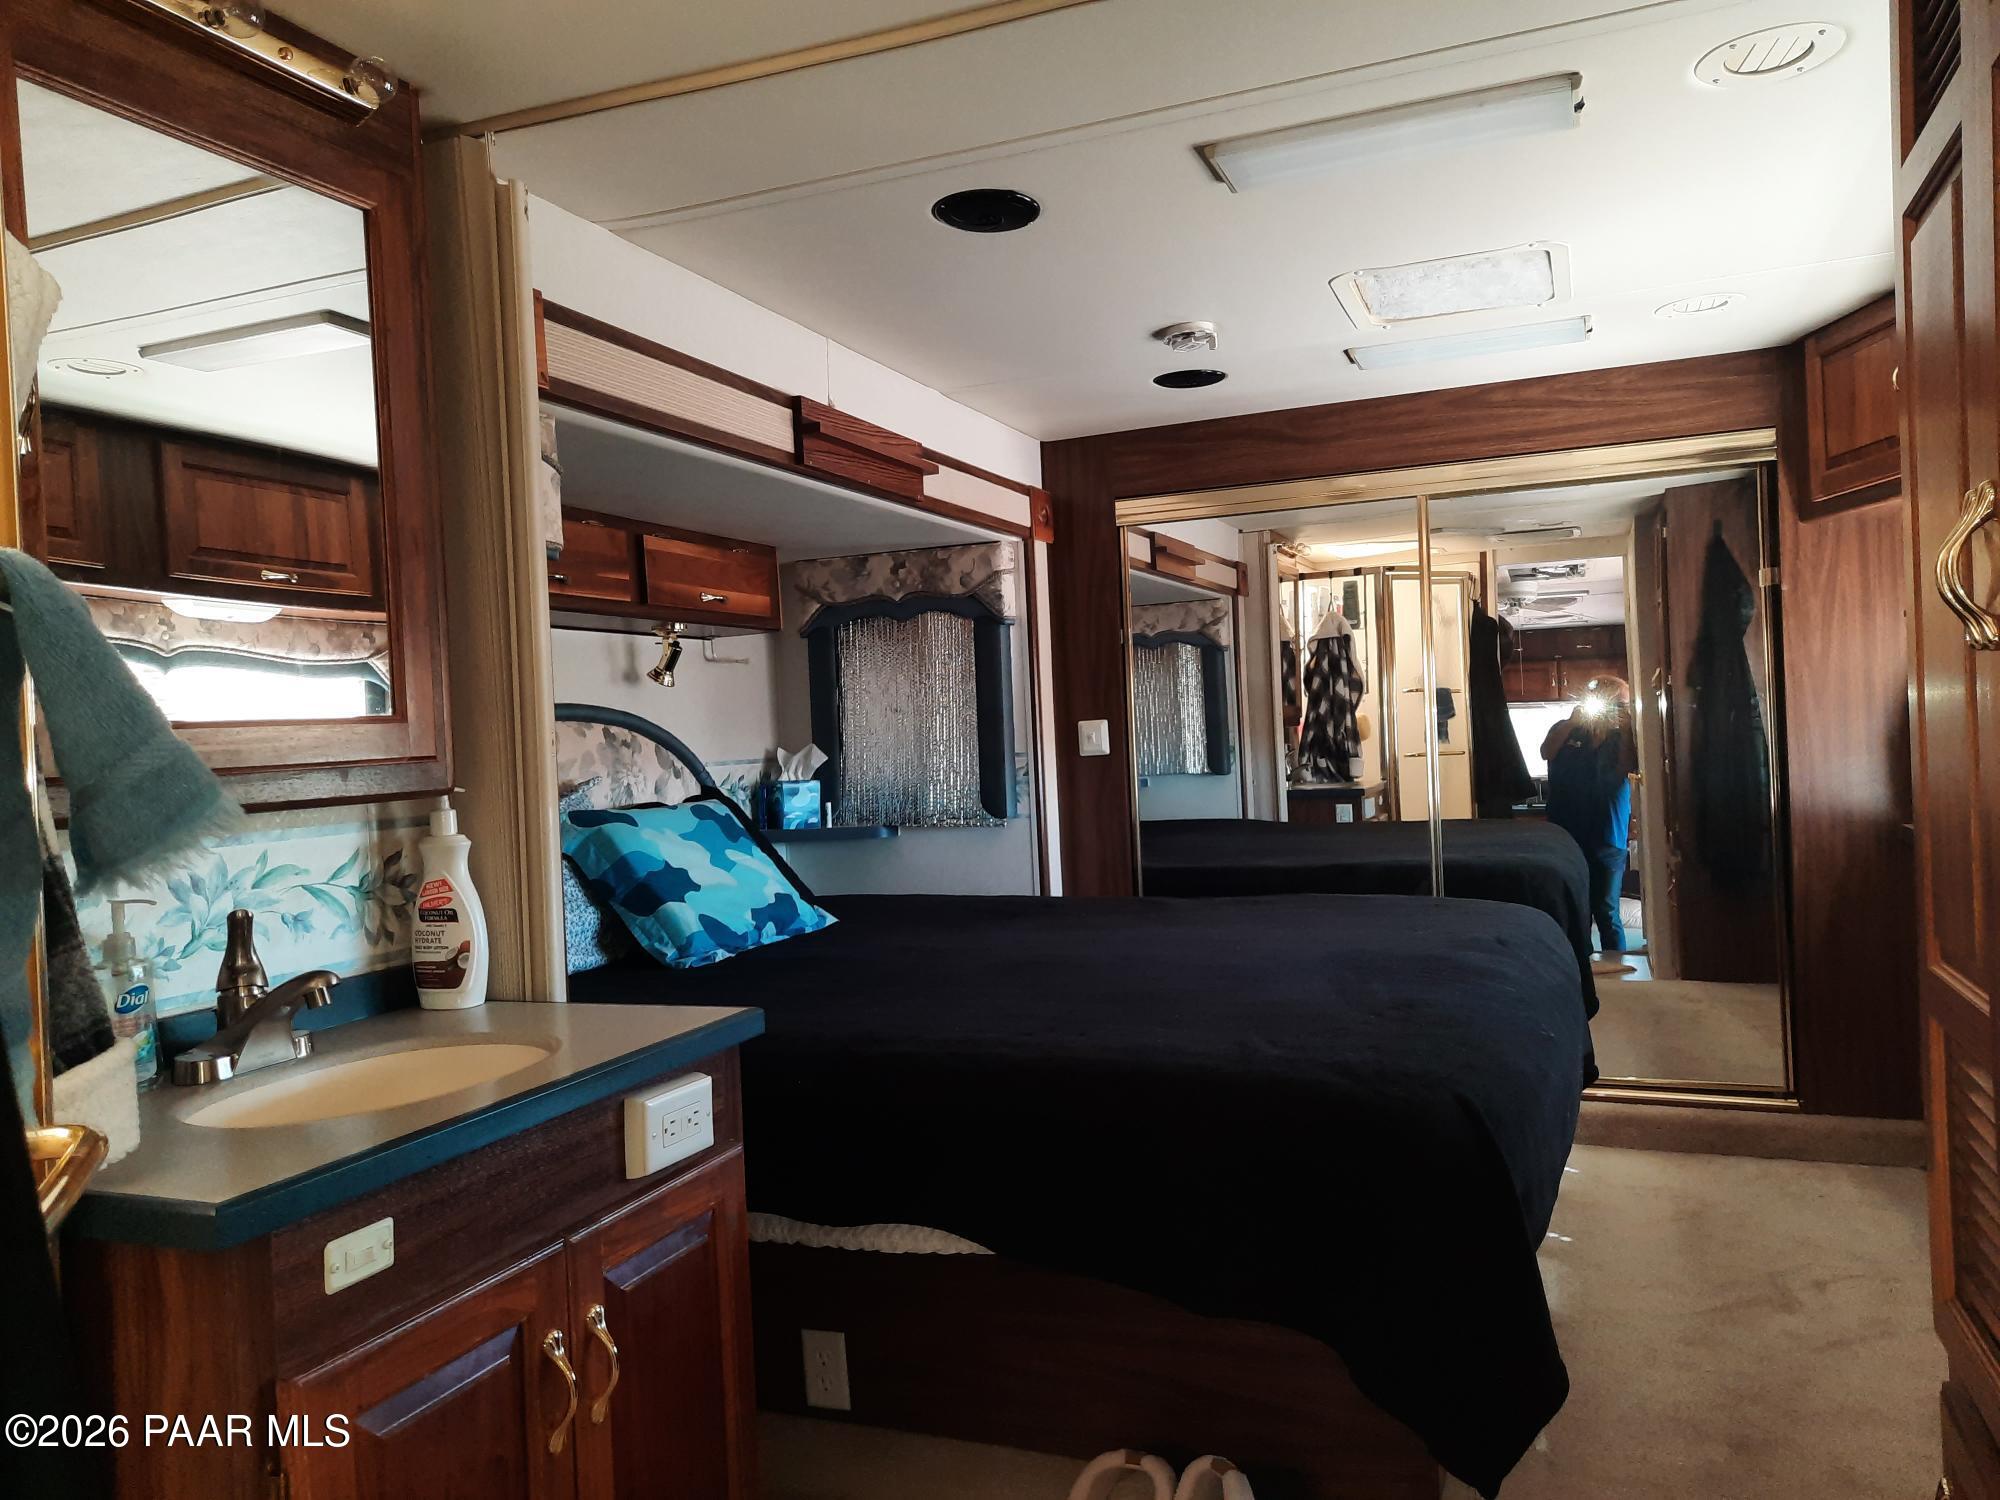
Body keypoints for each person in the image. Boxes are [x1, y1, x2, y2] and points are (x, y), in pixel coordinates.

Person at [1540, 677, 1638, 955]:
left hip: (1609, 836)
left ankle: (1617, 972)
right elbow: (1546, 751)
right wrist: (1573, 722)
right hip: (1566, 836)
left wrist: (1628, 724)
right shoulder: (1566, 729)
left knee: (1607, 911)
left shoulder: (1624, 738)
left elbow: (1629, 766)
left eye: (1618, 704)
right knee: (1573, 910)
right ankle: (1577, 969)